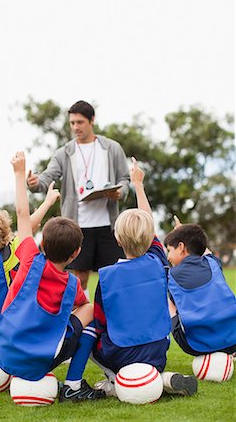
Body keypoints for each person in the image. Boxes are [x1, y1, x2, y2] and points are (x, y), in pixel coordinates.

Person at [0, 151, 106, 403]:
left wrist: (19, 173)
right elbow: (79, 308)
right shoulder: (73, 284)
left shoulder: (30, 259)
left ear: (42, 242)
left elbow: (22, 215)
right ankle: (73, 383)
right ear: (77, 252)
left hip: (4, 351)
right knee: (88, 308)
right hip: (41, 362)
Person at [92, 158, 198, 397]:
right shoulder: (159, 263)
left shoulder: (107, 277)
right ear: (150, 236)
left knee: (88, 326)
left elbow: (100, 323)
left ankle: (115, 381)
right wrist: (138, 184)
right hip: (156, 353)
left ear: (117, 241)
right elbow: (147, 223)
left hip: (118, 355)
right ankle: (161, 378)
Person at [27, 100, 130, 294]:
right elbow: (47, 178)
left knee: (113, 276)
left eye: (80, 122)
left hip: (108, 225)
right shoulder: (64, 153)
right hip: (78, 226)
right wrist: (34, 183)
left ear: (92, 120)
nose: (75, 127)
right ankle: (80, 320)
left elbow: (125, 179)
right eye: (72, 123)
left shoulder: (112, 148)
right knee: (79, 279)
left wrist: (120, 192)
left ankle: (108, 319)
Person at [0, 182, 60, 374]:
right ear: (0, 232)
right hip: (4, 344)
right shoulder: (8, 257)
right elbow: (27, 227)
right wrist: (47, 202)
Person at [164, 221, 236, 357]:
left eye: (169, 250)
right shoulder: (213, 262)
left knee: (170, 302)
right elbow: (205, 250)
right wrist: (183, 231)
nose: (168, 257)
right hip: (233, 339)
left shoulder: (171, 275)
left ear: (180, 247)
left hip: (196, 345)